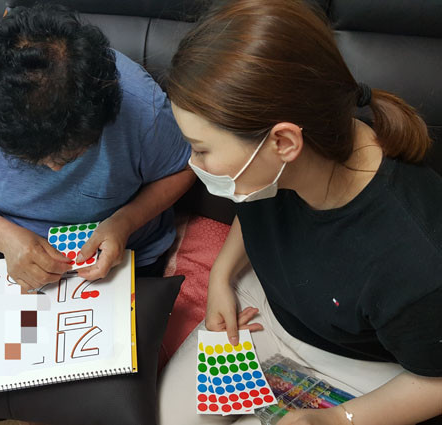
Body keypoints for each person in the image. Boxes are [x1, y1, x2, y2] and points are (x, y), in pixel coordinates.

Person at [158, 0, 442, 424]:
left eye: (201, 149)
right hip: (263, 310)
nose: (192, 163)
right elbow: (252, 206)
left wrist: (336, 419)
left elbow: (435, 380)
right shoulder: (276, 166)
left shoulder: (417, 258)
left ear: (284, 143)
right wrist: (221, 275)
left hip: (367, 367)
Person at [0, 4, 194, 290]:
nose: (55, 168)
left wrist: (125, 222)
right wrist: (4, 237)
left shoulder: (142, 103)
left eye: (71, 154)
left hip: (125, 252)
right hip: (10, 249)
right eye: (33, 160)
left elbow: (183, 168)